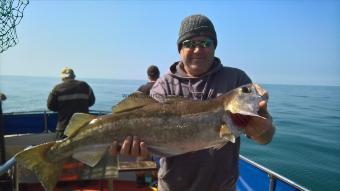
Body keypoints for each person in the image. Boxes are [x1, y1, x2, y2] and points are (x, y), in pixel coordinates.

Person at [114, 14, 275, 191]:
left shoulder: (236, 80)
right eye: (189, 43)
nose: (198, 50)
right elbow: (148, 145)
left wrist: (262, 129)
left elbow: (265, 138)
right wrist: (140, 154)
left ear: (214, 46)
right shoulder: (164, 85)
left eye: (205, 43)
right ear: (180, 49)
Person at [47, 67, 95, 139]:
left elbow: (50, 106)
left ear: (62, 77)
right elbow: (92, 102)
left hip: (64, 127)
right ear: (73, 76)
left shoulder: (57, 88)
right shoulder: (85, 85)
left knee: (62, 149)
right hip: (82, 127)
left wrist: (62, 108)